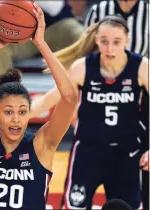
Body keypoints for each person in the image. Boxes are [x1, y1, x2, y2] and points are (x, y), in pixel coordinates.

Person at [0, 3, 78, 210]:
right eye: (8, 112)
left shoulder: (42, 146)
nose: (16, 118)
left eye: (22, 112)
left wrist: (40, 43)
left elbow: (69, 98)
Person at [29, 15, 149, 209]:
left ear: (127, 41)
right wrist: (21, 115)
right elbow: (51, 98)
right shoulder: (83, 67)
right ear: (96, 40)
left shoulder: (141, 67)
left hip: (126, 153)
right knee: (74, 206)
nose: (110, 48)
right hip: (88, 151)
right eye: (104, 41)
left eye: (117, 42)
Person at [0, 0, 84, 86]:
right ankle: (5, 94)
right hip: (19, 35)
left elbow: (55, 9)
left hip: (52, 29)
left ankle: (87, 86)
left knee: (80, 33)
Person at [85, 0, 149, 57]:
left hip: (138, 68)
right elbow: (86, 48)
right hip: (101, 68)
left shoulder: (147, 11)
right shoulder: (97, 10)